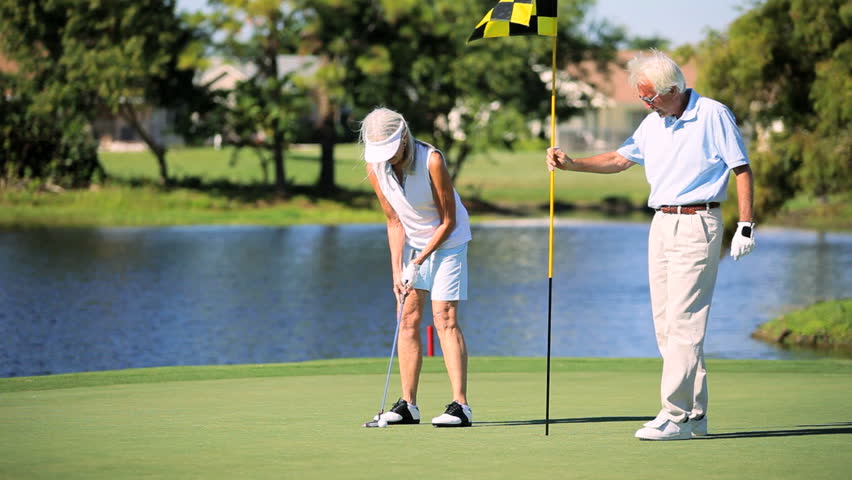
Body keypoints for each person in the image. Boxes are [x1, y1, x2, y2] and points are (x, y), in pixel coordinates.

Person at [546, 50, 756, 441]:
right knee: (666, 324)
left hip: (698, 221)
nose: (645, 104)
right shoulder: (653, 122)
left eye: (649, 97)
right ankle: (695, 415)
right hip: (661, 223)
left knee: (684, 321)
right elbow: (620, 159)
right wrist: (572, 164)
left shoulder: (712, 114)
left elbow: (740, 168)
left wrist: (745, 224)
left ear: (672, 89)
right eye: (643, 98)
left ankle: (673, 415)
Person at [362, 107, 474, 427]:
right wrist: (397, 270)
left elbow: (448, 220)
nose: (385, 157)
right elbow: (394, 221)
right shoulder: (376, 168)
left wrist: (419, 260)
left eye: (389, 149)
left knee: (444, 317)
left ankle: (460, 406)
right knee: (407, 317)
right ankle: (408, 405)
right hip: (412, 245)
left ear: (404, 138)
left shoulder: (431, 160)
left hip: (449, 242)